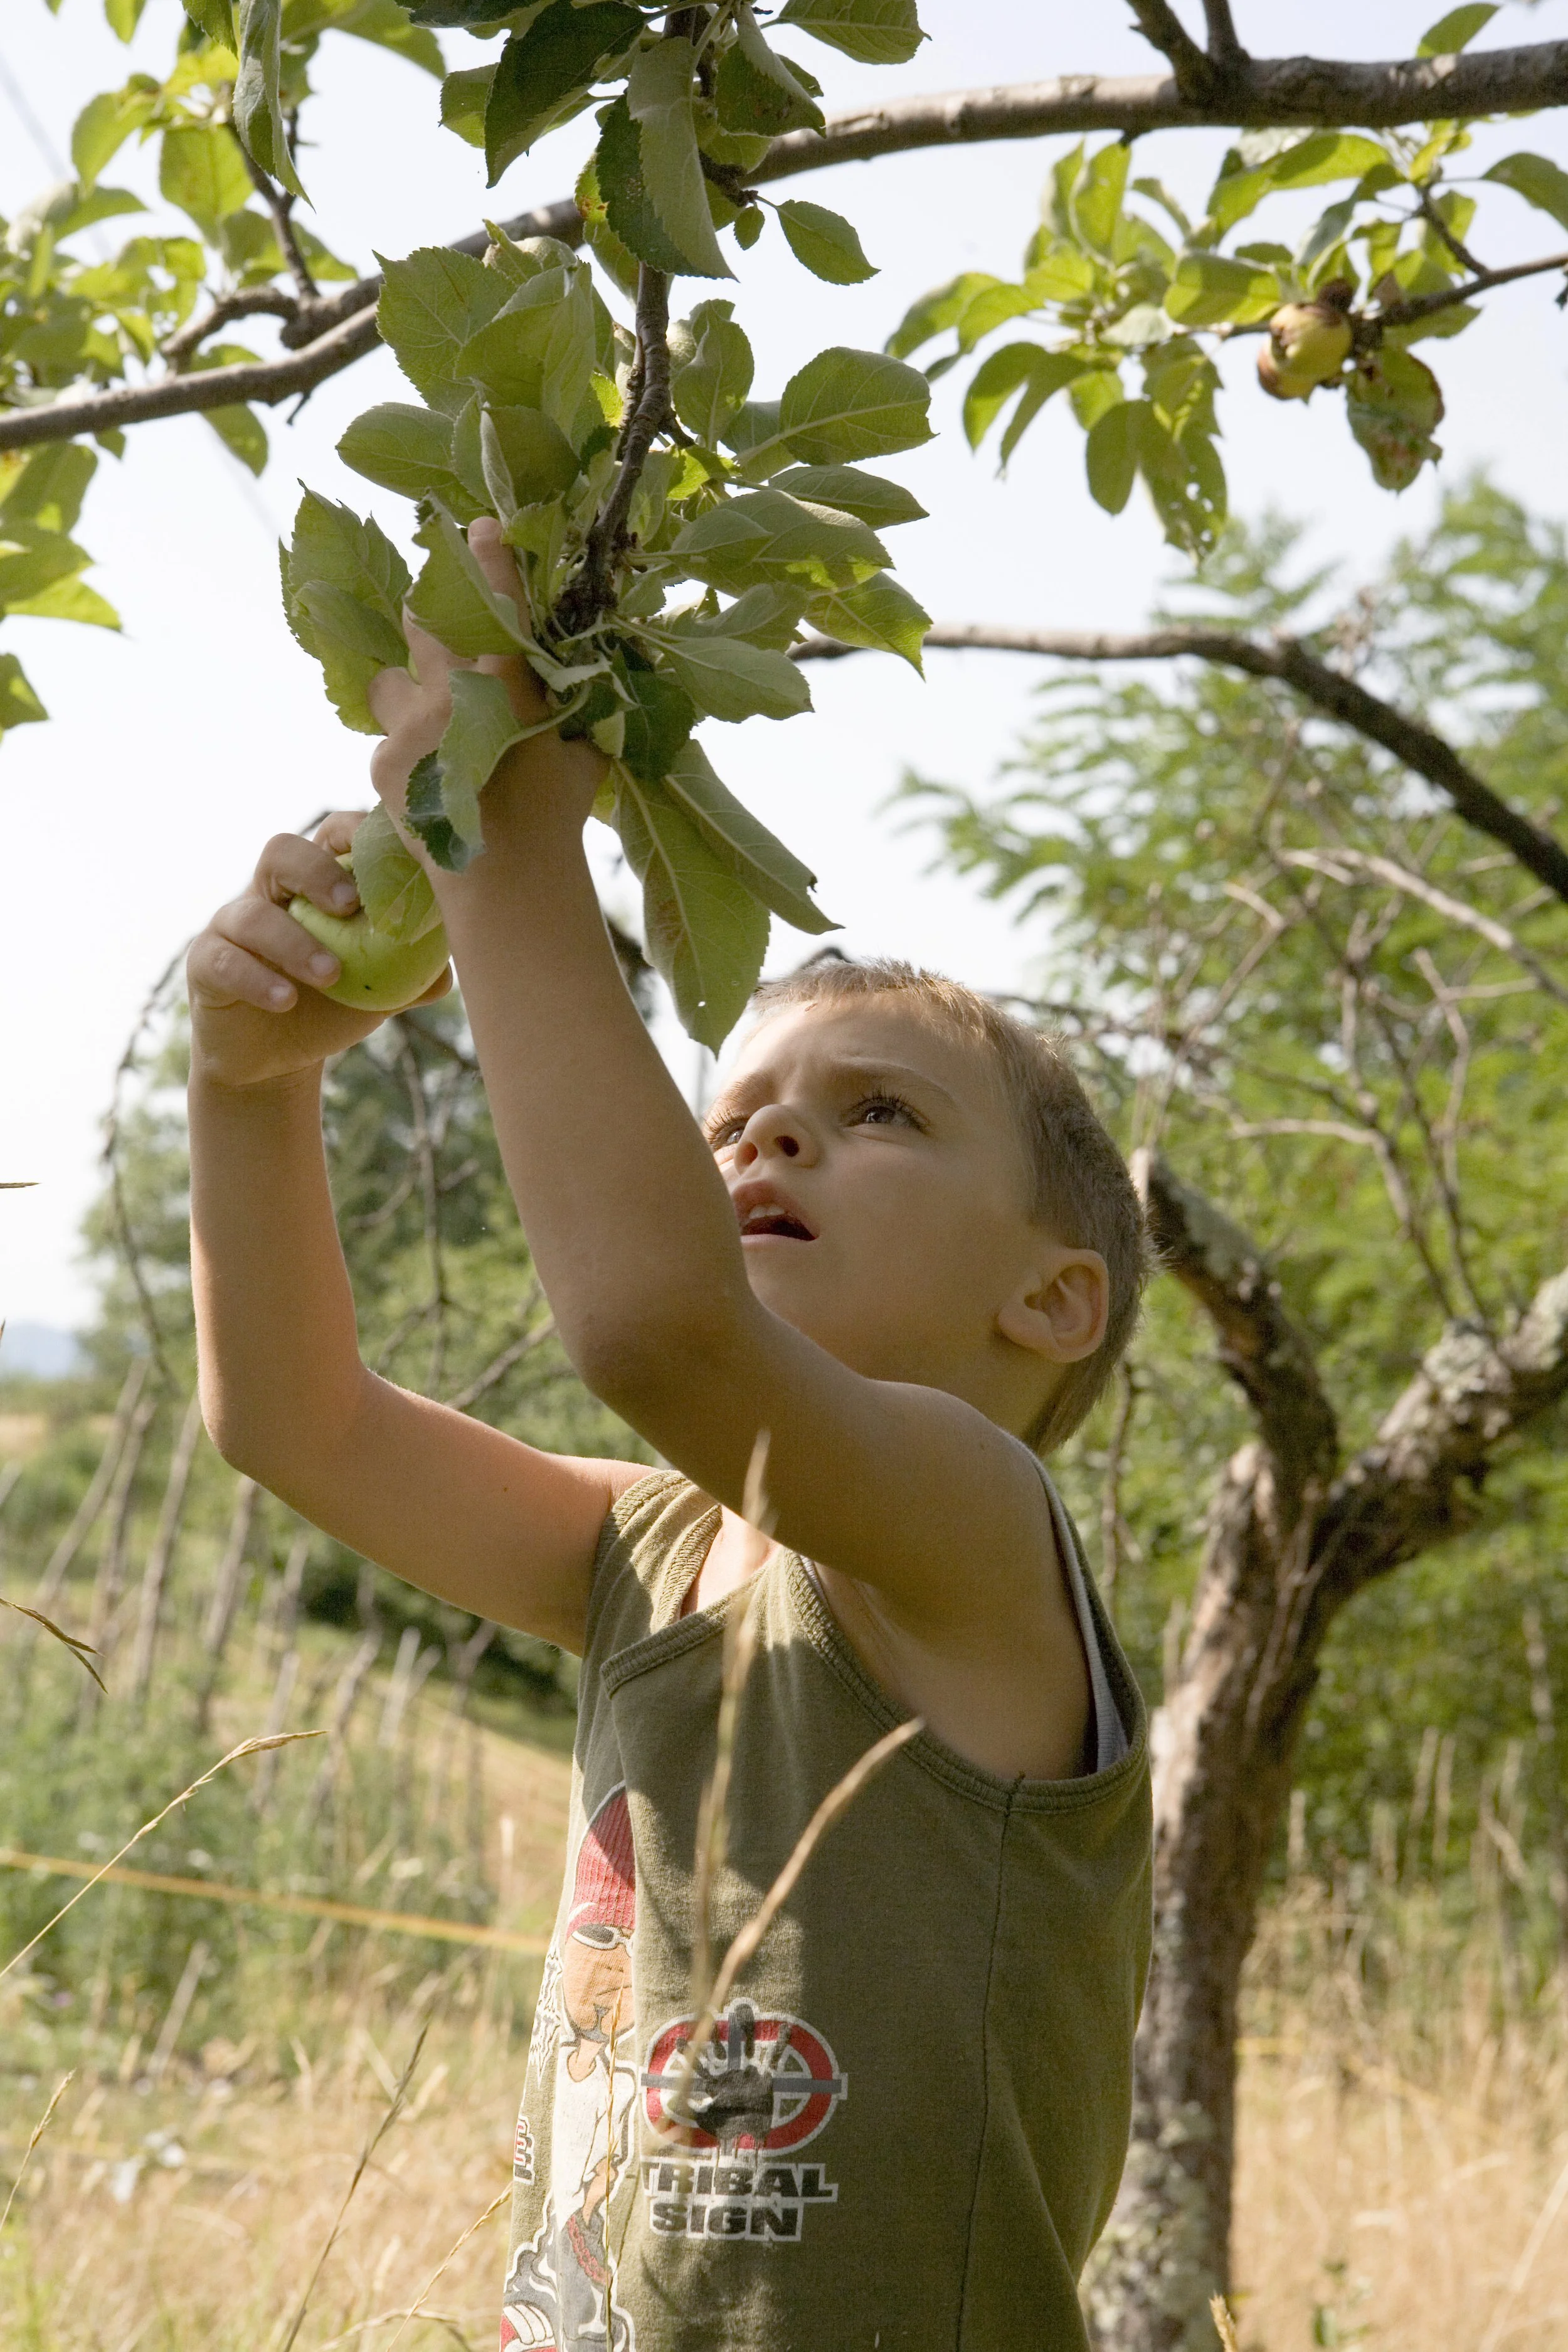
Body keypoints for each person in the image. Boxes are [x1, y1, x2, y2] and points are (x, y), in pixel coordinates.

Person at [187, 517, 1153, 2351]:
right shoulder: (657, 1546)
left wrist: (499, 820)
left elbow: (647, 1320)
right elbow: (295, 1421)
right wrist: (252, 1081)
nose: (764, 1142)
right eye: (728, 1119)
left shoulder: (978, 1523)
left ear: (1049, 1298)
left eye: (874, 1112)